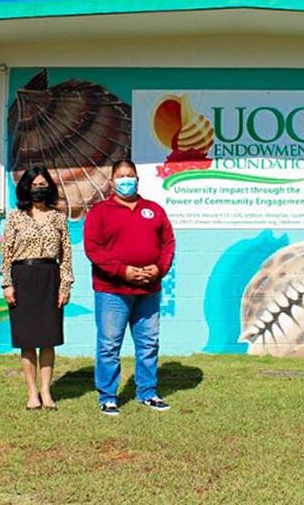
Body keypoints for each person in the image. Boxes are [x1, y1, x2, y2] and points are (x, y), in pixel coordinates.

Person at [84, 159, 176, 416]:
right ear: (112, 181)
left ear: (138, 179)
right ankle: (108, 396)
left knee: (148, 343)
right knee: (109, 345)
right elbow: (93, 250)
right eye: (121, 176)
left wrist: (159, 268)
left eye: (130, 175)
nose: (126, 180)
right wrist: (122, 271)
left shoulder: (154, 210)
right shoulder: (100, 212)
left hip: (149, 290)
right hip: (112, 291)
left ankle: (148, 392)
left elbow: (168, 243)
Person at [0, 167, 74, 410]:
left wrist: (65, 285)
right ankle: (32, 392)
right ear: (26, 188)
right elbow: (6, 253)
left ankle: (46, 391)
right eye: (34, 185)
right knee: (27, 340)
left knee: (48, 339)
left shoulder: (58, 217)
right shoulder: (15, 217)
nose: (38, 189)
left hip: (49, 278)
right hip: (22, 278)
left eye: (43, 184)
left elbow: (66, 255)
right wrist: (7, 283)